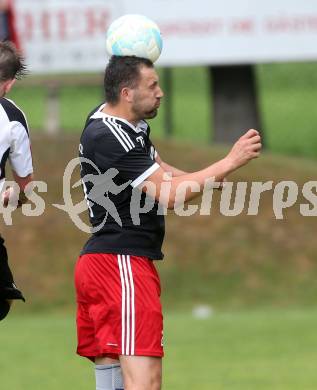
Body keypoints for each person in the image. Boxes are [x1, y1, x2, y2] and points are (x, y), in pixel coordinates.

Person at [76, 55, 262, 390]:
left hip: (105, 262)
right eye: (152, 85)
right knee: (145, 383)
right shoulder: (111, 137)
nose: (161, 93)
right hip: (122, 265)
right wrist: (229, 161)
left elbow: (165, 175)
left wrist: (211, 176)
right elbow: (170, 195)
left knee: (115, 381)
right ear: (127, 93)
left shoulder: (124, 125)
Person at [0, 41, 33, 321]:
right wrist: (16, 197)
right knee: (4, 298)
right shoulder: (11, 117)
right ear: (9, 84)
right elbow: (27, 188)